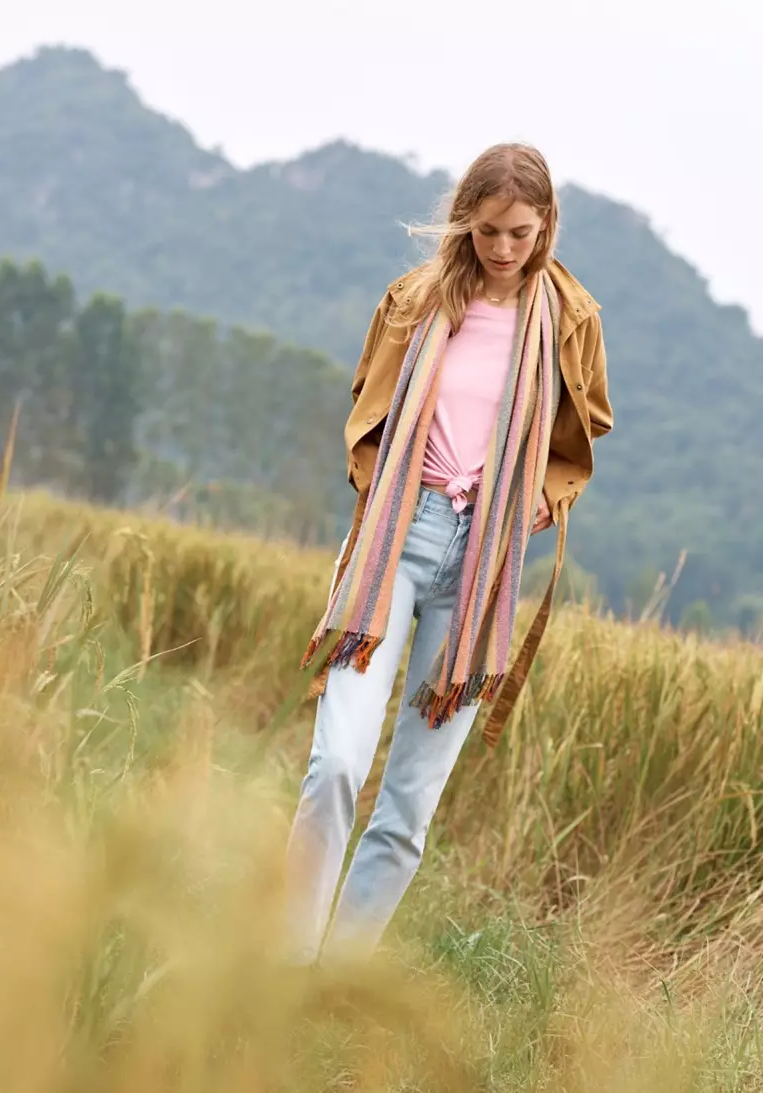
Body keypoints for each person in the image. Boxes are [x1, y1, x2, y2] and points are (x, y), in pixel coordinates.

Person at [284, 143, 613, 965]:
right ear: (466, 222)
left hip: (484, 564)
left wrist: (549, 494)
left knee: (409, 806)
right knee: (335, 764)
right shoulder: (417, 300)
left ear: (546, 228)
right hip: (401, 538)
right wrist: (382, 492)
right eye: (490, 231)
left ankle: (337, 982)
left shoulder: (572, 319)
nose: (504, 249)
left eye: (522, 234)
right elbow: (366, 408)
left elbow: (585, 430)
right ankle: (280, 963)